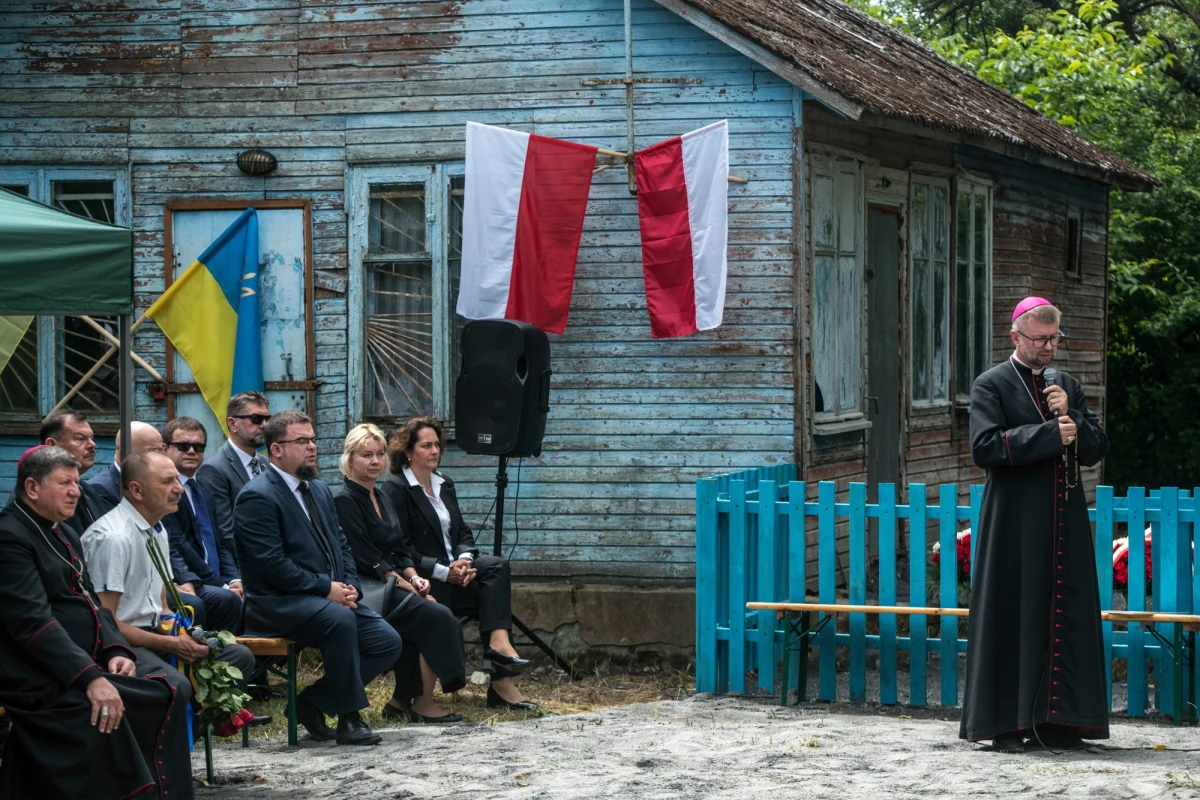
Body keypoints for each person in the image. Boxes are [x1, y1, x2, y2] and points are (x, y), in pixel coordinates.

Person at [960, 297, 1110, 752]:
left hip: (1065, 521)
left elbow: (1096, 447)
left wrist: (1074, 417)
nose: (1049, 347)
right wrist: (1051, 434)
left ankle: (1062, 722)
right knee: (1014, 612)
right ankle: (1007, 724)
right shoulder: (991, 385)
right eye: (1040, 339)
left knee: (1070, 614)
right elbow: (985, 447)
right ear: (1015, 337)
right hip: (1014, 524)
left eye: (1054, 339)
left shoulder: (1066, 384)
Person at [0, 445, 193, 799]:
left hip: (79, 661)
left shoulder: (63, 533)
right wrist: (90, 677)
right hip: (38, 673)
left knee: (160, 689)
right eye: (65, 483)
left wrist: (115, 648)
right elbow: (32, 623)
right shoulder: (10, 537)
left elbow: (92, 604)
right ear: (32, 488)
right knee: (142, 697)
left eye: (77, 481)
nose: (76, 490)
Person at [235, 411, 403, 745]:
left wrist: (350, 585)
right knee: (339, 621)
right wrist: (326, 588)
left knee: (386, 641)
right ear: (277, 449)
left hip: (326, 598)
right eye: (302, 441)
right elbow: (271, 564)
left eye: (312, 439)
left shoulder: (318, 490)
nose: (312, 447)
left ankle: (312, 703)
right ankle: (349, 719)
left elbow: (340, 544)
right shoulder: (257, 496)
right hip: (276, 603)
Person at [81, 449, 262, 734]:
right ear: (137, 490)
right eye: (167, 482)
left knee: (237, 656)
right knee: (173, 683)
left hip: (153, 636)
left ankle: (194, 729)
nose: (179, 488)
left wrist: (180, 634)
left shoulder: (157, 529)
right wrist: (172, 645)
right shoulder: (114, 538)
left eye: (175, 480)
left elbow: (162, 606)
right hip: (119, 646)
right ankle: (166, 748)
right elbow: (106, 623)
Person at [380, 417, 535, 711]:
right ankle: (495, 682)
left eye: (437, 444)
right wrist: (443, 571)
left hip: (454, 573)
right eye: (426, 445)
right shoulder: (396, 488)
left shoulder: (444, 482)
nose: (435, 450)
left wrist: (464, 560)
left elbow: (462, 532)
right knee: (482, 598)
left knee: (496, 568)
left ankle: (499, 654)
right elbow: (400, 547)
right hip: (424, 580)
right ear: (409, 451)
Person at [333, 423, 467, 724]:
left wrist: (415, 576)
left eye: (380, 454)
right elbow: (369, 559)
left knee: (428, 609)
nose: (375, 461)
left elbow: (399, 547)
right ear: (350, 458)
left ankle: (401, 701)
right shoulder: (345, 499)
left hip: (394, 582)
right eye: (366, 455)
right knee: (435, 615)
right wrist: (409, 585)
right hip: (367, 589)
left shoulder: (380, 496)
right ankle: (423, 703)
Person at [160, 416, 245, 633]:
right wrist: (221, 585)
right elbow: (177, 544)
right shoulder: (164, 489)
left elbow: (217, 542)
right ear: (165, 449)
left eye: (198, 447)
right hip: (190, 580)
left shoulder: (202, 487)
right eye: (183, 446)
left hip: (214, 579)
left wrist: (233, 579)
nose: (191, 451)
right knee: (227, 599)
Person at [195, 391, 271, 567]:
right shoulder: (214, 469)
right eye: (256, 419)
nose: (265, 425)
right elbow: (226, 533)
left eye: (268, 419)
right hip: (247, 568)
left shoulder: (266, 464)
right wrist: (267, 562)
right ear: (233, 423)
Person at [87, 420, 163, 517]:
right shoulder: (100, 489)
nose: (159, 457)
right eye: (152, 451)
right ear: (124, 451)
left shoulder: (151, 480)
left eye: (160, 450)